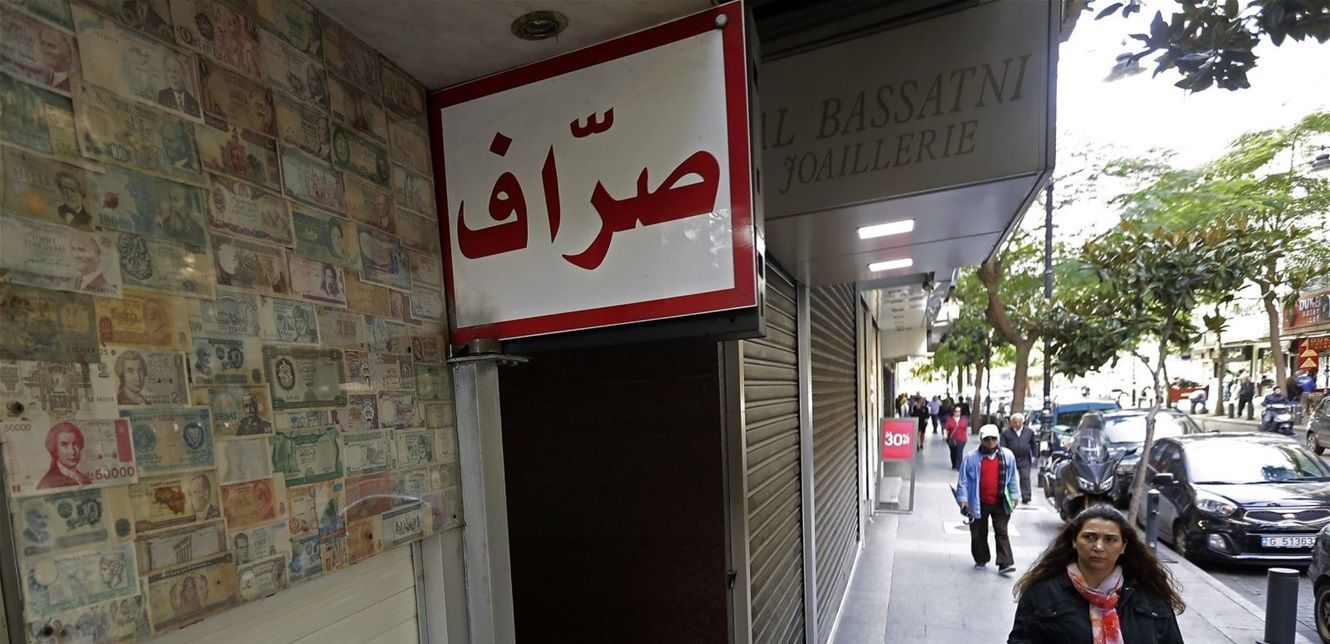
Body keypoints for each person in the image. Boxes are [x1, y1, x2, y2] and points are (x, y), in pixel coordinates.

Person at [1008, 505, 1185, 643]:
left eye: (1110, 539)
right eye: (1090, 537)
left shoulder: (1150, 594)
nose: (1099, 547)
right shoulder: (1043, 593)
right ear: (1074, 541)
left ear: (1123, 546)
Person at [955, 425, 1019, 574]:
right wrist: (962, 500)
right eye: (987, 439)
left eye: (993, 439)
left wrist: (1015, 495)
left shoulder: (1007, 456)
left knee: (1002, 531)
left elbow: (1013, 478)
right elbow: (963, 480)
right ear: (981, 440)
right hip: (978, 502)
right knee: (978, 532)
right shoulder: (971, 458)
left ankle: (1005, 563)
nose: (990, 442)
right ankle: (981, 558)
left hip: (1001, 501)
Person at [38, 422, 90, 489]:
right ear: (55, 450)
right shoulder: (47, 484)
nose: (72, 451)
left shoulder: (83, 479)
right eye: (64, 444)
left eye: (75, 444)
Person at [1000, 413, 1038, 504]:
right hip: (1011, 458)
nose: (1017, 424)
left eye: (1019, 422)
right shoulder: (1006, 433)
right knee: (1009, 477)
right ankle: (1007, 494)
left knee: (1025, 477)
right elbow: (1002, 445)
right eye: (1015, 422)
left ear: (1022, 422)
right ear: (1011, 423)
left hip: (1025, 458)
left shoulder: (1029, 432)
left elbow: (1033, 444)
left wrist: (1034, 455)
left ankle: (1026, 496)